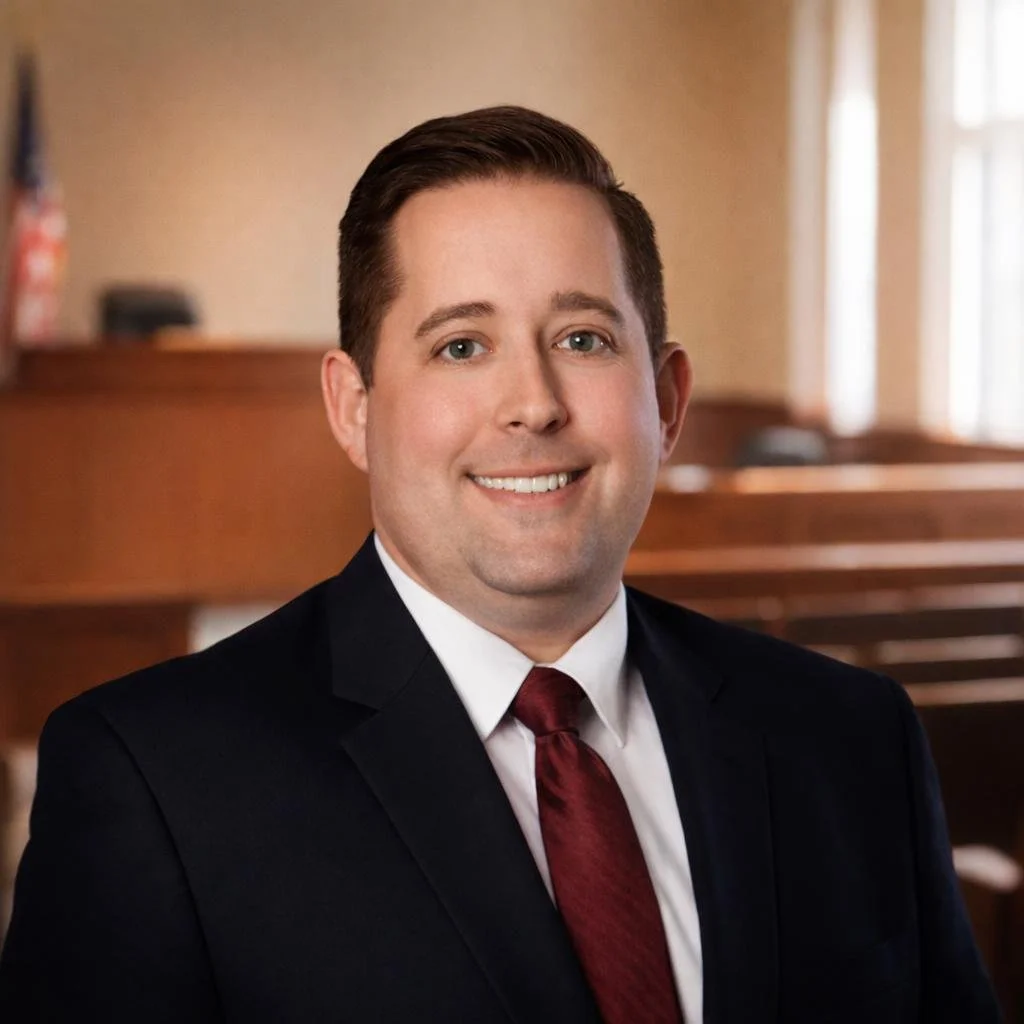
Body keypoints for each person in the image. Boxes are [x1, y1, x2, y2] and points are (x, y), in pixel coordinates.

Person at [0, 107, 998, 1023]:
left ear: (666, 400)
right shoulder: (154, 781)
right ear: (353, 406)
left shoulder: (851, 742)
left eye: (581, 337)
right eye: (461, 345)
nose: (533, 403)